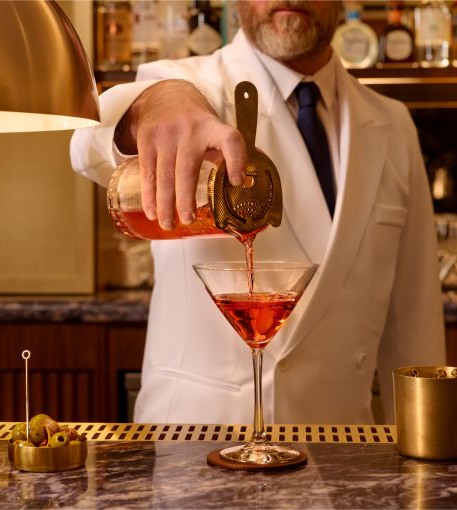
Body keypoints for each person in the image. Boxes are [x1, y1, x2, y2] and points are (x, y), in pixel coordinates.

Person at [70, 1, 445, 424]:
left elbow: (415, 321)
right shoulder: (183, 83)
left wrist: (425, 457)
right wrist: (158, 105)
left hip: (341, 448)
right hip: (199, 445)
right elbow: (86, 144)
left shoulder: (392, 123)